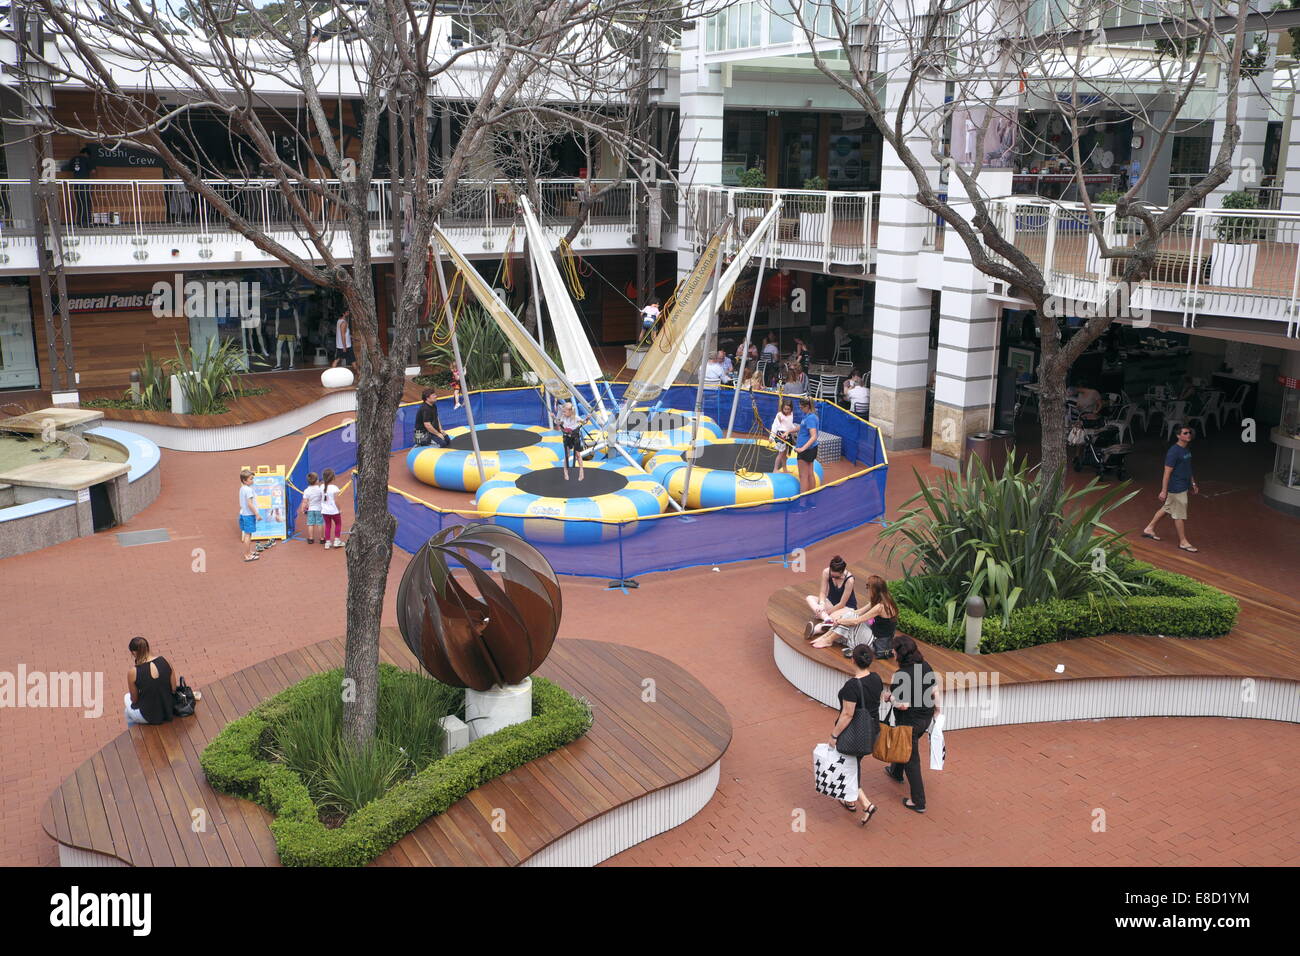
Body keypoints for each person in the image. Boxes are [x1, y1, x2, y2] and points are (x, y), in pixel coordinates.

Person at [827, 643, 886, 826]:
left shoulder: (851, 686)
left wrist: (834, 735)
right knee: (854, 764)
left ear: (852, 660)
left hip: (854, 733)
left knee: (847, 767)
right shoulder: (876, 678)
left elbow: (847, 714)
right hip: (872, 729)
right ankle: (850, 800)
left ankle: (866, 804)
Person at [883, 635, 940, 814]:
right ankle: (896, 772)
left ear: (899, 653)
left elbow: (903, 704)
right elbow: (934, 691)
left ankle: (918, 801)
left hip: (909, 722)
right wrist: (938, 711)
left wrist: (889, 697)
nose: (891, 651)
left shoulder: (900, 675)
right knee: (906, 746)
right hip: (926, 717)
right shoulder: (925, 665)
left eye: (893, 649)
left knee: (911, 760)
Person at [1142, 424, 1199, 553]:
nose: (1188, 434)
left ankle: (1149, 528)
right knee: (1179, 514)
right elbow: (1167, 473)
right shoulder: (1174, 452)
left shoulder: (1186, 450)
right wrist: (1164, 490)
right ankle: (1183, 542)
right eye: (1185, 433)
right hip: (1176, 487)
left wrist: (1193, 483)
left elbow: (1188, 468)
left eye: (1189, 432)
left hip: (1184, 485)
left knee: (1167, 508)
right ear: (1178, 436)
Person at [812, 574, 897, 659]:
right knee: (850, 614)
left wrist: (839, 621)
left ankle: (828, 639)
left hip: (875, 643)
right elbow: (859, 612)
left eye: (868, 587)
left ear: (874, 590)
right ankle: (825, 637)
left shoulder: (880, 607)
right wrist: (842, 617)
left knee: (850, 620)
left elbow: (857, 621)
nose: (867, 590)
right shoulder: (884, 601)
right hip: (875, 634)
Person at [125, 636, 197, 727]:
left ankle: (135, 735)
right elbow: (173, 688)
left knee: (127, 707)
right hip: (168, 708)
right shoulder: (164, 660)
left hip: (150, 715)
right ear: (147, 647)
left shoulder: (133, 672)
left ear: (134, 652)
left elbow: (134, 700)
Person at [804, 556, 857, 635]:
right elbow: (822, 592)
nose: (834, 578)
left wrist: (826, 613)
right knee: (809, 598)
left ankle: (815, 630)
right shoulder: (826, 572)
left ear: (842, 572)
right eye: (832, 576)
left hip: (846, 607)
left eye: (837, 577)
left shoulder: (849, 580)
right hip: (831, 602)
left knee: (833, 617)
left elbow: (842, 604)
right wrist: (821, 605)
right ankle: (827, 619)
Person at [793, 405, 819, 493]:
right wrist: (789, 431)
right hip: (810, 449)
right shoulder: (810, 416)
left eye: (802, 407)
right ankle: (811, 500)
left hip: (806, 450)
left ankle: (802, 503)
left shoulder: (810, 418)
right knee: (810, 474)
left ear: (807, 406)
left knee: (803, 476)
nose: (801, 409)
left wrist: (802, 449)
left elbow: (814, 436)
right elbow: (802, 427)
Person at [558, 401, 586, 481]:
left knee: (578, 454)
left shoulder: (576, 417)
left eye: (564, 411)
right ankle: (565, 471)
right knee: (567, 455)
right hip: (567, 438)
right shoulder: (563, 417)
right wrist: (554, 418)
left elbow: (583, 422)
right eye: (562, 411)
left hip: (575, 437)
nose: (563, 413)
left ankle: (581, 471)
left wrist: (587, 418)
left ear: (570, 411)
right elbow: (558, 423)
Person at [238, 468, 260, 562]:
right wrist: (257, 514)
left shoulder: (242, 488)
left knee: (248, 534)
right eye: (251, 479)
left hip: (243, 514)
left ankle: (249, 552)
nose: (252, 480)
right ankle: (247, 555)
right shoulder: (248, 490)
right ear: (244, 480)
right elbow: (250, 504)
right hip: (248, 515)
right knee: (248, 535)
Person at [321, 468, 344, 549]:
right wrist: (340, 509)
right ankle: (337, 541)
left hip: (325, 511)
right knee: (338, 524)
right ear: (333, 478)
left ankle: (327, 542)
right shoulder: (335, 488)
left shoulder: (321, 487)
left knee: (328, 525)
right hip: (334, 511)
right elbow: (336, 500)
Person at [300, 472, 324, 545]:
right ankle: (322, 538)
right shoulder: (320, 489)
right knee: (320, 523)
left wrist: (302, 509)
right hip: (319, 509)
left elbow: (305, 502)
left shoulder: (306, 490)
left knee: (310, 524)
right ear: (317, 481)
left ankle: (311, 538)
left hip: (310, 510)